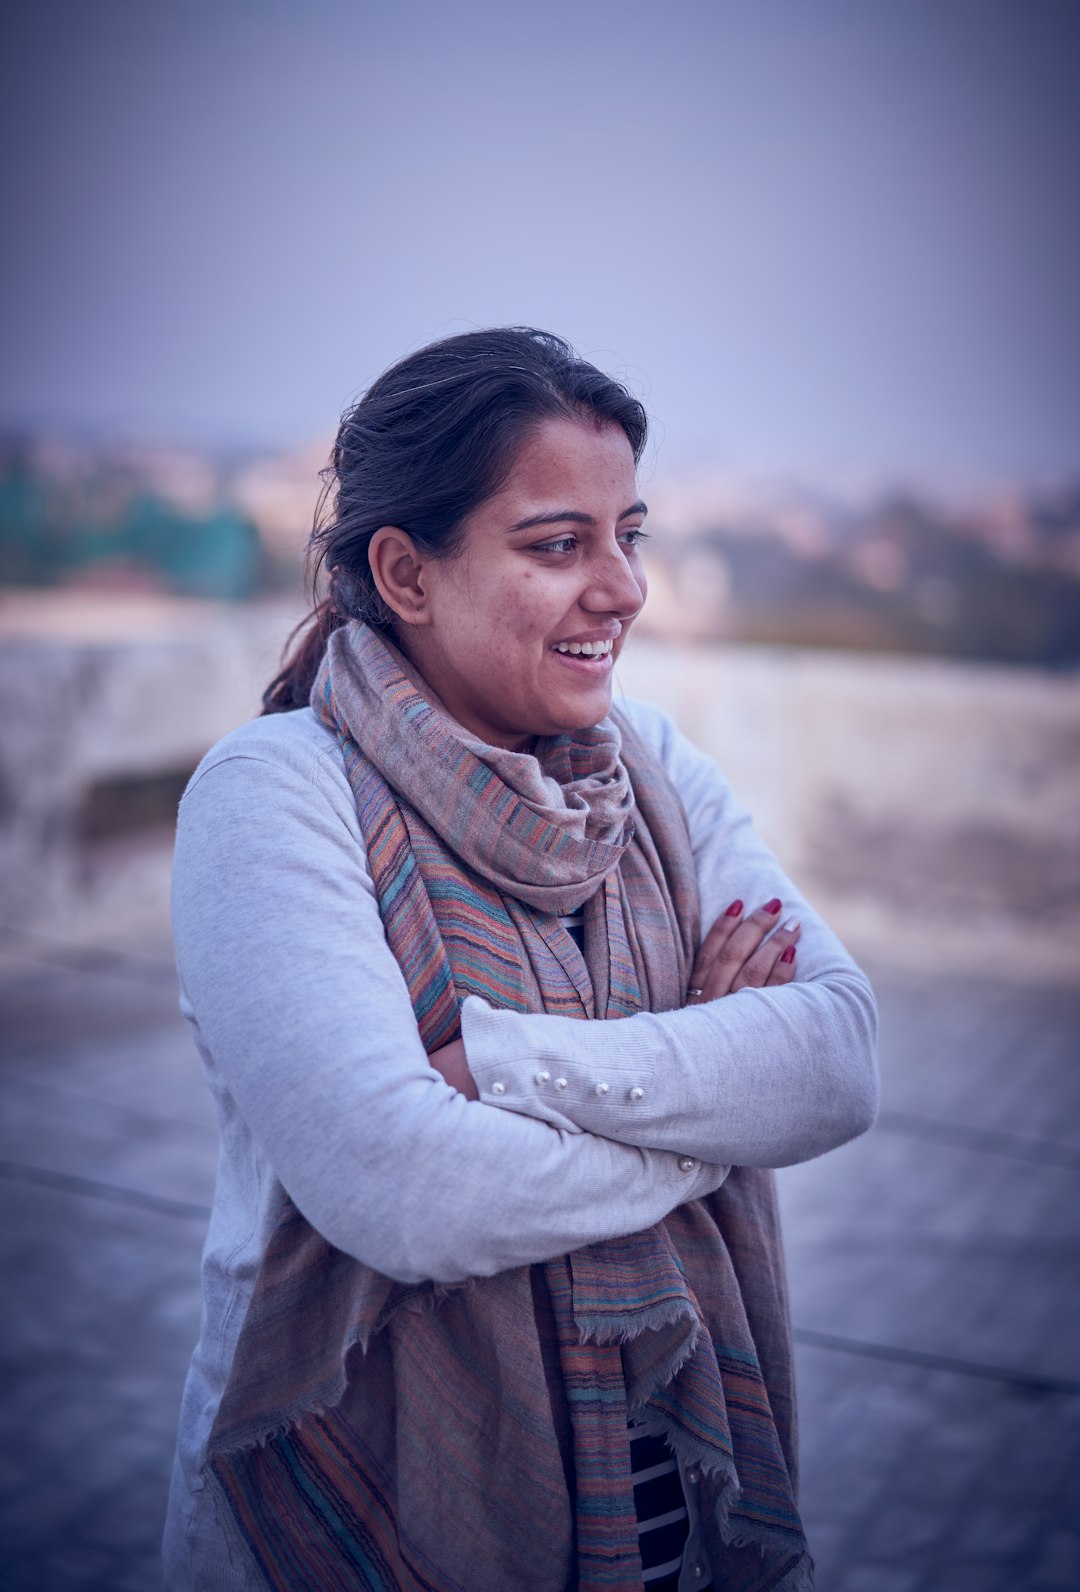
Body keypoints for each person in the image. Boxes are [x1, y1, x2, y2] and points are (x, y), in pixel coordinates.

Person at [164, 327, 878, 1592]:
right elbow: (408, 1190)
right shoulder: (275, 796)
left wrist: (502, 1058)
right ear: (408, 571)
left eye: (630, 534)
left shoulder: (652, 770)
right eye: (559, 544)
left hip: (671, 1518)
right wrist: (716, 1100)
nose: (624, 588)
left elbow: (836, 1060)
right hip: (354, 1514)